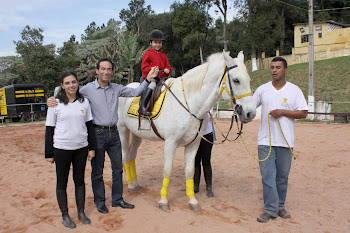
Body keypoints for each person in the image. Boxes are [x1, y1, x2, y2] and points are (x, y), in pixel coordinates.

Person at [47, 58, 158, 215]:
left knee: (117, 168)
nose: (106, 72)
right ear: (97, 71)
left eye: (109, 69)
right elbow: (70, 91)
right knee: (97, 171)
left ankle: (117, 199)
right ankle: (100, 201)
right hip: (97, 134)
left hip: (114, 132)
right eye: (103, 69)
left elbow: (135, 92)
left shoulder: (117, 88)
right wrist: (52, 99)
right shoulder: (87, 89)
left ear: (112, 72)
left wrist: (148, 79)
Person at [253, 57, 308, 223]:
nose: (274, 70)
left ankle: (280, 207)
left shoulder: (294, 90)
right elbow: (249, 106)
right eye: (272, 67)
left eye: (278, 67)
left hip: (286, 142)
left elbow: (303, 112)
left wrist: (283, 112)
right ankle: (270, 209)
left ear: (286, 70)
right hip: (265, 141)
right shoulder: (262, 90)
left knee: (282, 178)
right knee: (268, 177)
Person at [45, 71, 96, 229]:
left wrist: (91, 147)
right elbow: (49, 128)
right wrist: (49, 153)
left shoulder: (84, 102)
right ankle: (65, 215)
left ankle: (81, 212)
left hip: (81, 148)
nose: (71, 85)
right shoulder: (55, 104)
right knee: (62, 182)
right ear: (62, 85)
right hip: (61, 148)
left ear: (77, 83)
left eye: (73, 82)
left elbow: (90, 126)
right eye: (67, 83)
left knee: (79, 181)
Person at [138, 29, 172, 116]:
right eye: (155, 42)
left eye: (159, 42)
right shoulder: (148, 54)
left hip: (161, 79)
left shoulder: (164, 55)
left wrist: (167, 70)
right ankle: (142, 107)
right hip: (150, 78)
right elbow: (144, 67)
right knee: (152, 85)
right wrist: (152, 70)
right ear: (151, 43)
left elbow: (168, 67)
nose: (157, 44)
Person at [194, 108, 215, 198]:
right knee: (195, 161)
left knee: (206, 161)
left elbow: (204, 114)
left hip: (207, 134)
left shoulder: (209, 102)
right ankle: (195, 185)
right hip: (195, 134)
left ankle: (209, 187)